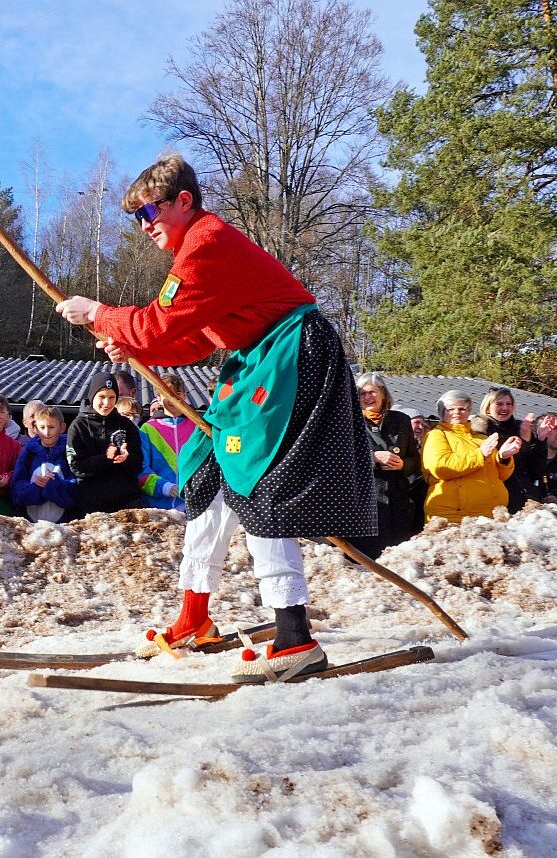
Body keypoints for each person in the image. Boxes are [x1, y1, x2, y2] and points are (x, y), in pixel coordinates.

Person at [56, 154, 376, 681]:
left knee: (257, 480)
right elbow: (187, 341)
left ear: (183, 201)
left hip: (288, 355)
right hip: (254, 360)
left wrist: (100, 314)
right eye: (136, 218)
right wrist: (132, 345)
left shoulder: (206, 244)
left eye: (149, 212)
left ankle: (296, 638)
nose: (144, 226)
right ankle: (194, 617)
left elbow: (159, 324)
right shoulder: (196, 252)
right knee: (209, 471)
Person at [422, 390, 522, 523]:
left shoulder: (481, 438)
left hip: (491, 515)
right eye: (451, 409)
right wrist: (480, 454)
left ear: (469, 411)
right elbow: (441, 467)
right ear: (442, 412)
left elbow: (502, 476)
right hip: (454, 516)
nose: (457, 412)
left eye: (462, 408)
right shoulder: (436, 435)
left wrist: (504, 457)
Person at [352, 373, 419, 557]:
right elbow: (340, 459)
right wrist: (372, 457)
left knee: (398, 557)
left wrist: (402, 464)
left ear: (383, 393)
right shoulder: (350, 421)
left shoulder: (401, 420)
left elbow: (415, 460)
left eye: (372, 392)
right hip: (366, 502)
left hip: (397, 500)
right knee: (366, 557)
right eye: (362, 394)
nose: (368, 397)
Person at [66, 372, 144, 515]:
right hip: (91, 504)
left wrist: (126, 458)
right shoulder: (78, 426)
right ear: (92, 397)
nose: (107, 403)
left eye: (111, 397)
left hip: (127, 501)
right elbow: (76, 466)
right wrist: (104, 458)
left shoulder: (126, 425)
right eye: (101, 397)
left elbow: (138, 464)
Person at [473, 387, 545, 513]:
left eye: (509, 404)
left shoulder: (521, 428)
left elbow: (535, 472)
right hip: (495, 500)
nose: (505, 408)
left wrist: (539, 441)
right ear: (488, 408)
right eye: (499, 404)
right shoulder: (478, 430)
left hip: (526, 498)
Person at [138, 372, 195, 513]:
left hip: (192, 507)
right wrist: (165, 487)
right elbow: (140, 469)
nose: (173, 398)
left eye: (178, 393)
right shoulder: (147, 429)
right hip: (157, 509)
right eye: (167, 394)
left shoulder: (198, 427)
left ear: (185, 395)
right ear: (158, 398)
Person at [10, 405, 78, 522]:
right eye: (42, 427)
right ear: (35, 428)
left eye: (51, 427)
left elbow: (76, 488)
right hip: (30, 523)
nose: (46, 432)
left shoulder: (69, 452)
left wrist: (54, 483)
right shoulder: (28, 453)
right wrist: (36, 486)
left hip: (64, 523)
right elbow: (16, 488)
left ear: (62, 427)